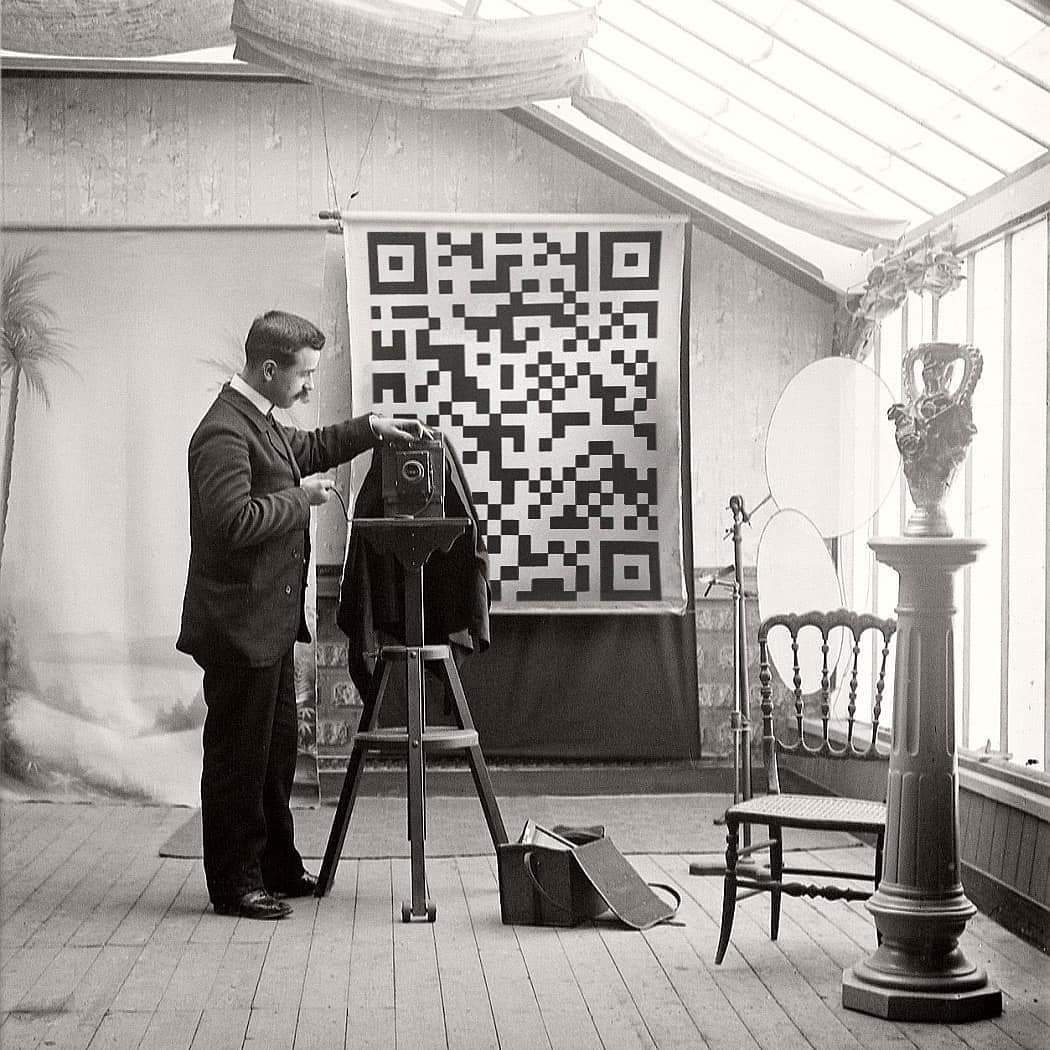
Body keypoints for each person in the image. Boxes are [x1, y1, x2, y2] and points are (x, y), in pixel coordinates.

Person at [177, 309, 425, 920]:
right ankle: (234, 884)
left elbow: (310, 447)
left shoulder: (258, 420)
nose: (309, 386)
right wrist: (301, 498)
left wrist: (371, 429)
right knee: (239, 762)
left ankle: (276, 867)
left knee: (274, 755)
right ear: (268, 369)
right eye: (303, 375)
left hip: (267, 628)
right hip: (238, 630)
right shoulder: (223, 434)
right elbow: (232, 522)